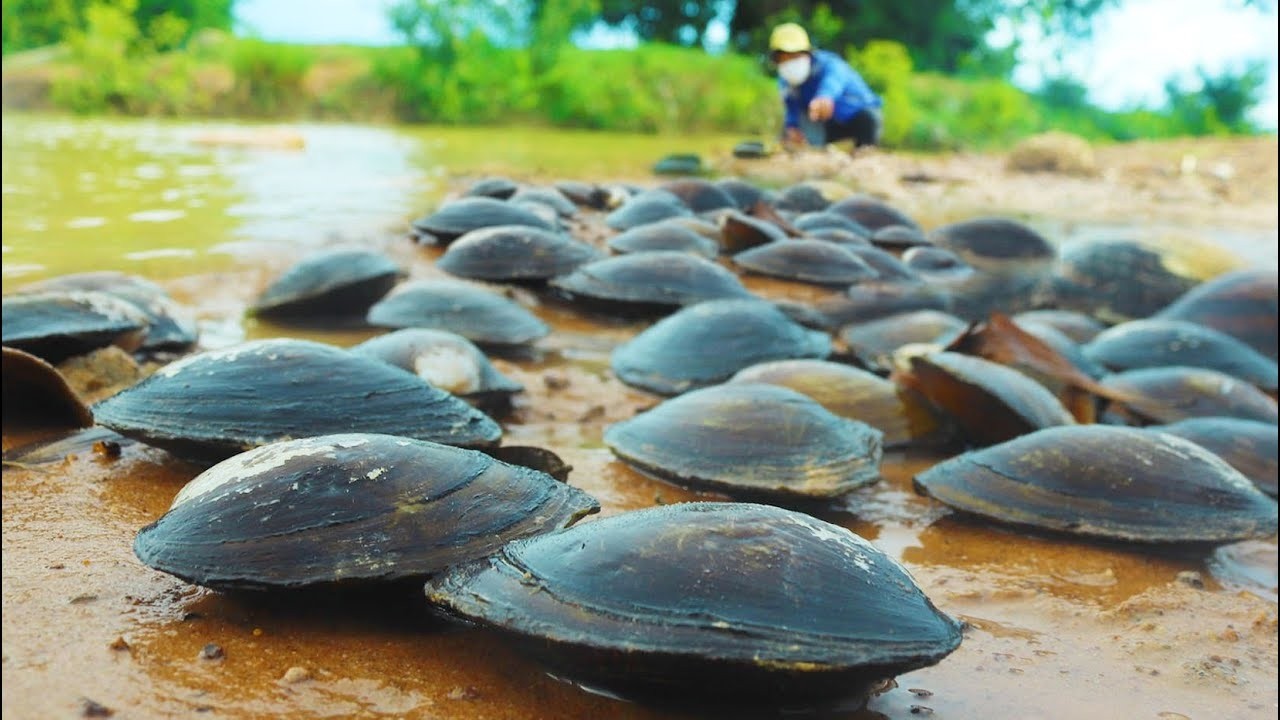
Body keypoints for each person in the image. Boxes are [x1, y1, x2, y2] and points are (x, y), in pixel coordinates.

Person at [769, 22, 883, 151]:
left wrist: (825, 97)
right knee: (789, 133)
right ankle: (811, 152)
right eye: (783, 59)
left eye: (793, 56)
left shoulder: (830, 64)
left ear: (807, 53)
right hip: (825, 124)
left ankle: (865, 150)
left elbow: (834, 80)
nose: (789, 62)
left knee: (867, 123)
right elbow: (792, 108)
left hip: (860, 117)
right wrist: (792, 127)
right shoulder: (786, 81)